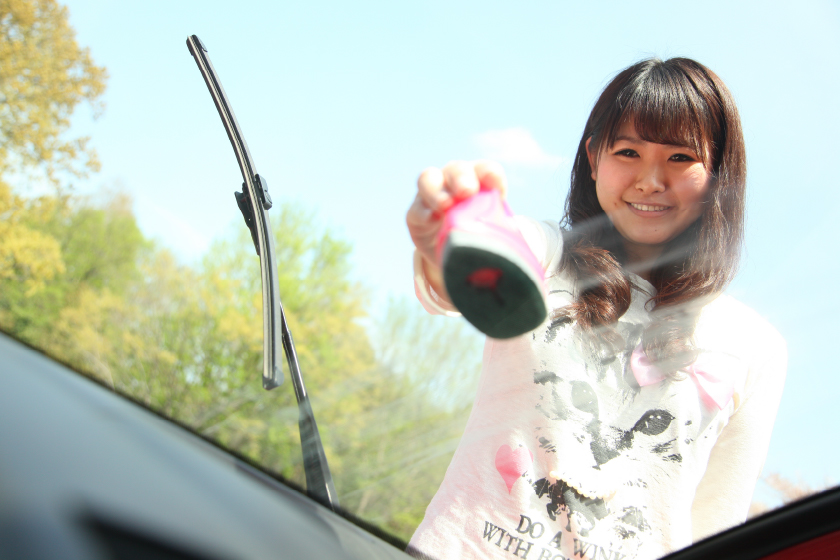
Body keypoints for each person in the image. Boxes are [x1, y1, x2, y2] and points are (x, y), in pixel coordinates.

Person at [404, 58, 787, 560]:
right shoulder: (546, 256)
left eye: (680, 157)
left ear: (718, 172)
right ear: (593, 157)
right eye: (628, 151)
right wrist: (444, 239)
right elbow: (470, 270)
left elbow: (718, 527)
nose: (650, 179)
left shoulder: (753, 346)